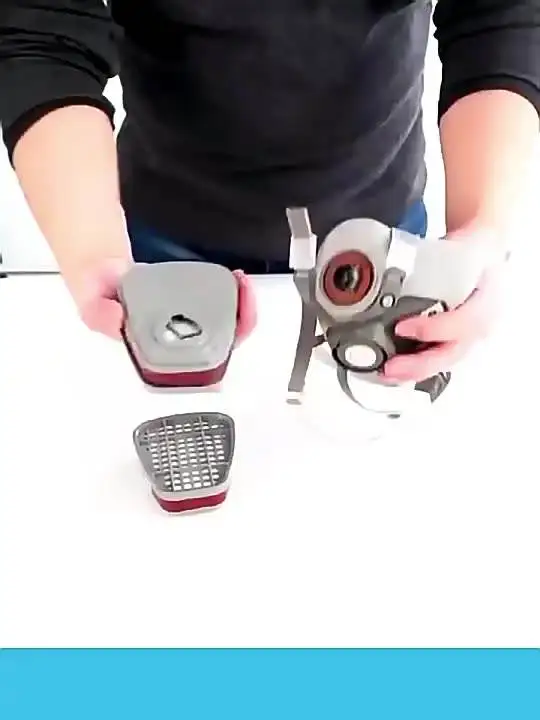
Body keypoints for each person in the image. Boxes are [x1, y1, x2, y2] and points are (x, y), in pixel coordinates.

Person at [0, 1, 539, 383]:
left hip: (385, 245)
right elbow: (44, 33)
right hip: (160, 248)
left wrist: (482, 233)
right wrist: (93, 251)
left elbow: (499, 15)